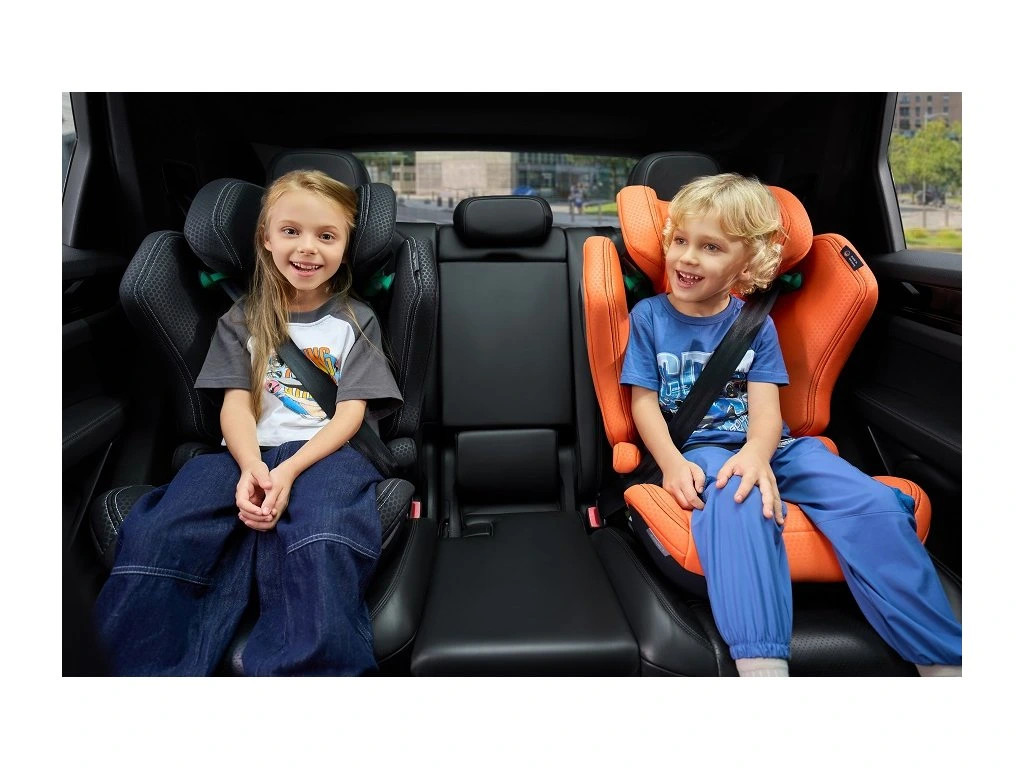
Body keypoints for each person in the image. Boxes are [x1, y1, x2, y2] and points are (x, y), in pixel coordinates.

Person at [619, 173, 961, 677]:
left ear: (747, 263)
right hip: (700, 447)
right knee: (738, 497)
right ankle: (762, 663)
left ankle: (941, 659)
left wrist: (758, 454)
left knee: (873, 501)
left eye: (711, 247)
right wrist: (671, 463)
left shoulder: (756, 324)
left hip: (776, 446)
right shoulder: (650, 317)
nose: (687, 258)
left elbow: (767, 409)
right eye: (680, 241)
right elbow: (644, 403)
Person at [94, 170, 402, 676]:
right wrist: (252, 466)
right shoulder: (242, 319)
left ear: (346, 247)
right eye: (291, 231)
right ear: (266, 238)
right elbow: (235, 405)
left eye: (327, 236)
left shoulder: (354, 320)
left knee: (322, 536)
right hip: (242, 452)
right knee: (162, 531)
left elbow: (350, 413)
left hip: (325, 454)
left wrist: (288, 471)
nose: (308, 248)